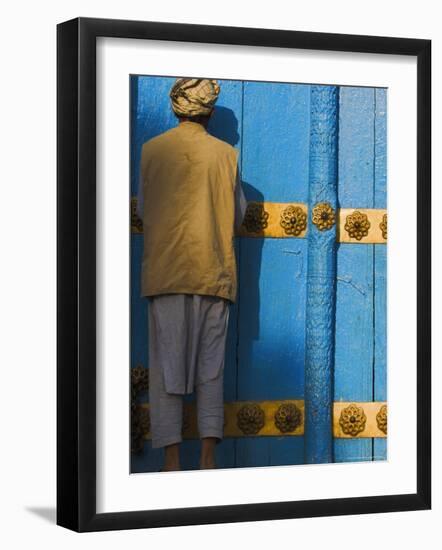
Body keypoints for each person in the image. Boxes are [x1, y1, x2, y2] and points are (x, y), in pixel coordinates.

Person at [136, 78, 247, 471]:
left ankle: (170, 460)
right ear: (210, 111)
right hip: (213, 274)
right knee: (211, 369)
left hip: (166, 273)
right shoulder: (226, 156)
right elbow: (237, 217)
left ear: (174, 108)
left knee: (167, 367)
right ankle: (207, 457)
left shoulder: (151, 150)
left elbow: (146, 210)